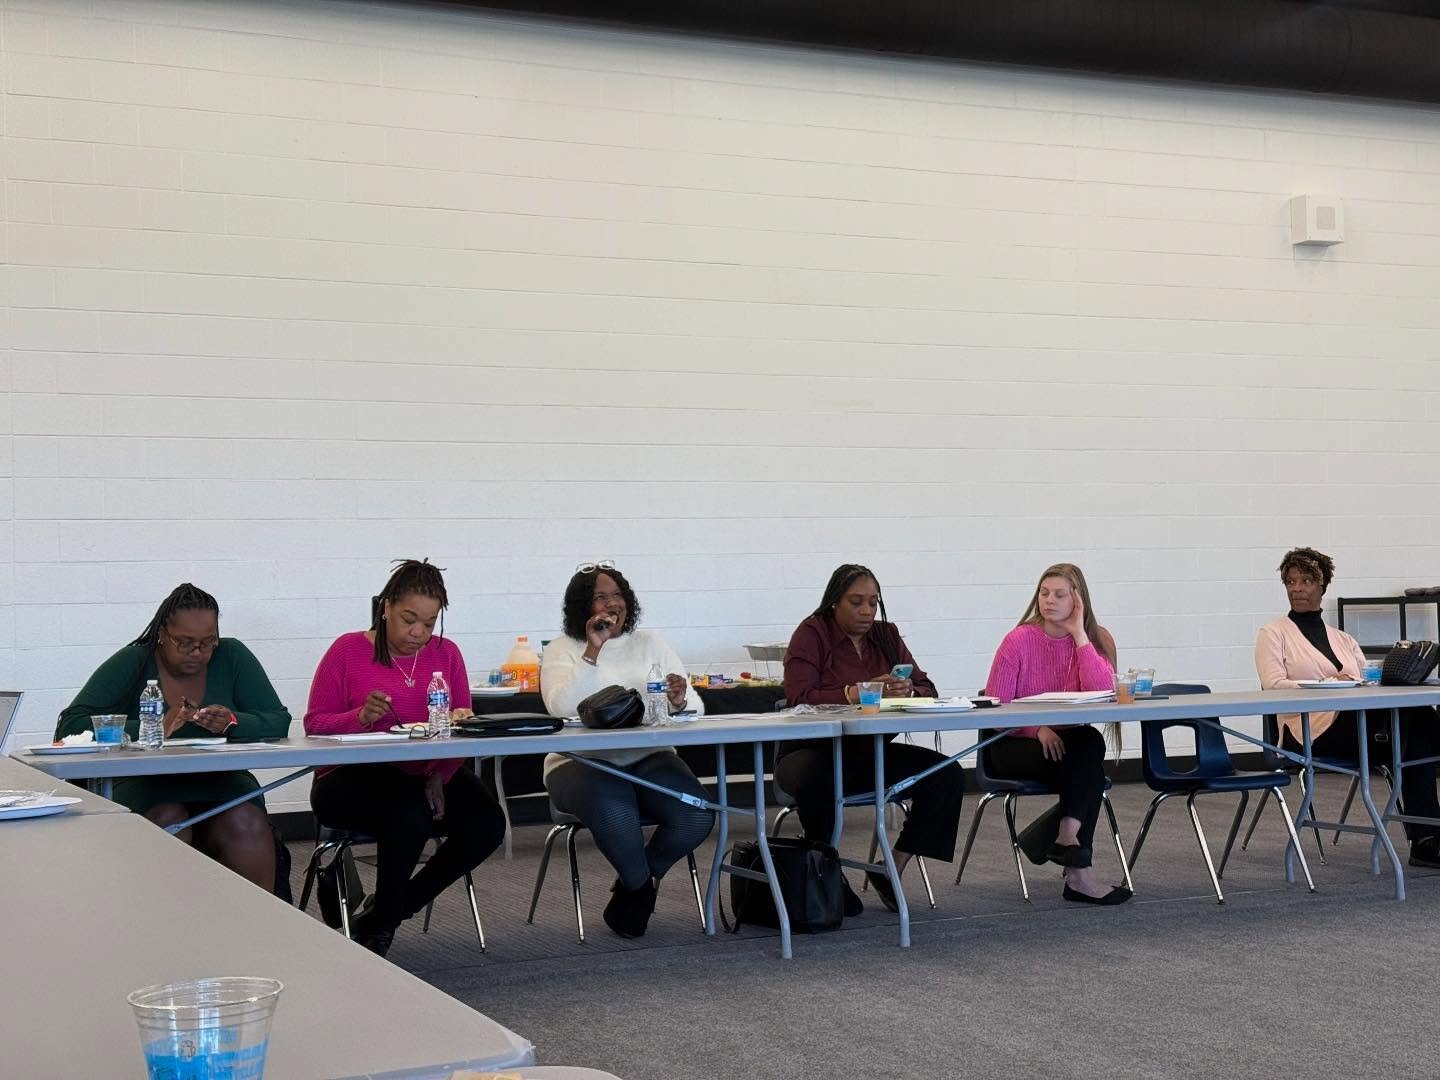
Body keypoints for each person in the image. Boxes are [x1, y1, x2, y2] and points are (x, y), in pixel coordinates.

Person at [305, 559, 506, 957]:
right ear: (386, 607)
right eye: (408, 619)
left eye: (429, 623)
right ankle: (380, 931)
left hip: (424, 772)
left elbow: (460, 723)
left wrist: (441, 774)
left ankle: (391, 909)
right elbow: (315, 724)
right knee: (409, 813)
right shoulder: (347, 650)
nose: (418, 633)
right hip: (350, 776)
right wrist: (359, 717)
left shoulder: (446, 654)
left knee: (487, 823)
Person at [55, 584, 291, 891]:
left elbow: (278, 719)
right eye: (185, 642)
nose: (198, 652)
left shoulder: (232, 656)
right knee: (167, 818)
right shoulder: (134, 660)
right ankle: (163, 930)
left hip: (221, 781)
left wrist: (232, 721)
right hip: (147, 783)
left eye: (208, 642)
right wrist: (151, 726)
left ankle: (263, 930)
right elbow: (70, 726)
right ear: (163, 634)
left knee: (245, 822)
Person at [775, 563, 965, 915]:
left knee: (947, 775)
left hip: (869, 752)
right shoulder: (812, 632)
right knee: (820, 779)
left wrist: (909, 688)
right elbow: (798, 696)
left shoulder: (886, 635)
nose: (866, 611)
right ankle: (827, 871)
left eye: (873, 603)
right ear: (835, 602)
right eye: (856, 602)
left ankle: (891, 867)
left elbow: (928, 687)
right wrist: (855, 692)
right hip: (808, 753)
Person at [540, 561, 714, 939]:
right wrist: (592, 651)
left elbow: (695, 709)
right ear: (582, 606)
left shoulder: (650, 643)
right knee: (615, 807)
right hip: (580, 763)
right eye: (599, 597)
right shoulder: (562, 648)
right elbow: (561, 707)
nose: (610, 604)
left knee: (696, 814)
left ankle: (635, 882)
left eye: (617, 595)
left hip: (649, 757)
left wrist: (680, 700)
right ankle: (639, 889)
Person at [1255, 546, 1440, 868]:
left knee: (1416, 727)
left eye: (1306, 581)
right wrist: (1327, 683)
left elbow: (1365, 679)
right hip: (1308, 731)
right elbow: (1273, 686)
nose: (1297, 588)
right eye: (1291, 582)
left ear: (1322, 585)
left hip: (1355, 724)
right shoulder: (1272, 634)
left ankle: (1427, 840)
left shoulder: (1343, 639)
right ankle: (1426, 839)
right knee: (1414, 730)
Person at [984, 562, 1130, 905]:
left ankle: (1068, 839)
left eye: (1059, 594)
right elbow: (996, 709)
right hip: (1013, 744)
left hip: (1067, 748)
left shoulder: (1096, 639)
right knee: (1088, 765)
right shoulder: (1018, 640)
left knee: (1088, 745)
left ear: (1077, 600)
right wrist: (1037, 729)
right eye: (1044, 592)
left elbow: (1102, 695)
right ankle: (1076, 867)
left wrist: (1080, 636)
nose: (1049, 600)